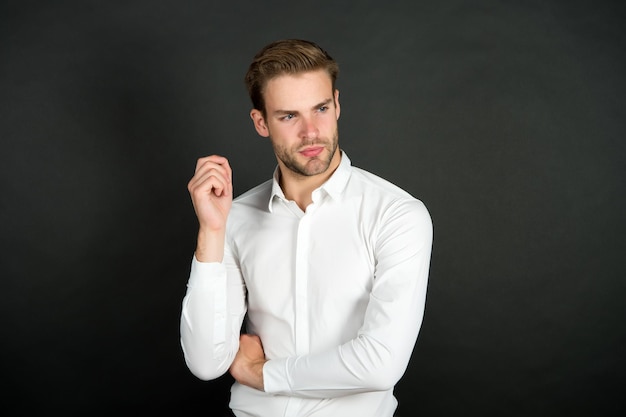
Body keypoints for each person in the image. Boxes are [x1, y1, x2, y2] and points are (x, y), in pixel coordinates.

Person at [180, 39, 433, 417]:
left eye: (321, 109)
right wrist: (211, 233)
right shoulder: (236, 217)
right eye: (288, 116)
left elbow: (381, 362)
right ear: (261, 122)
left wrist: (263, 374)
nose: (311, 131)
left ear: (337, 104)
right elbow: (206, 362)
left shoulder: (397, 215)